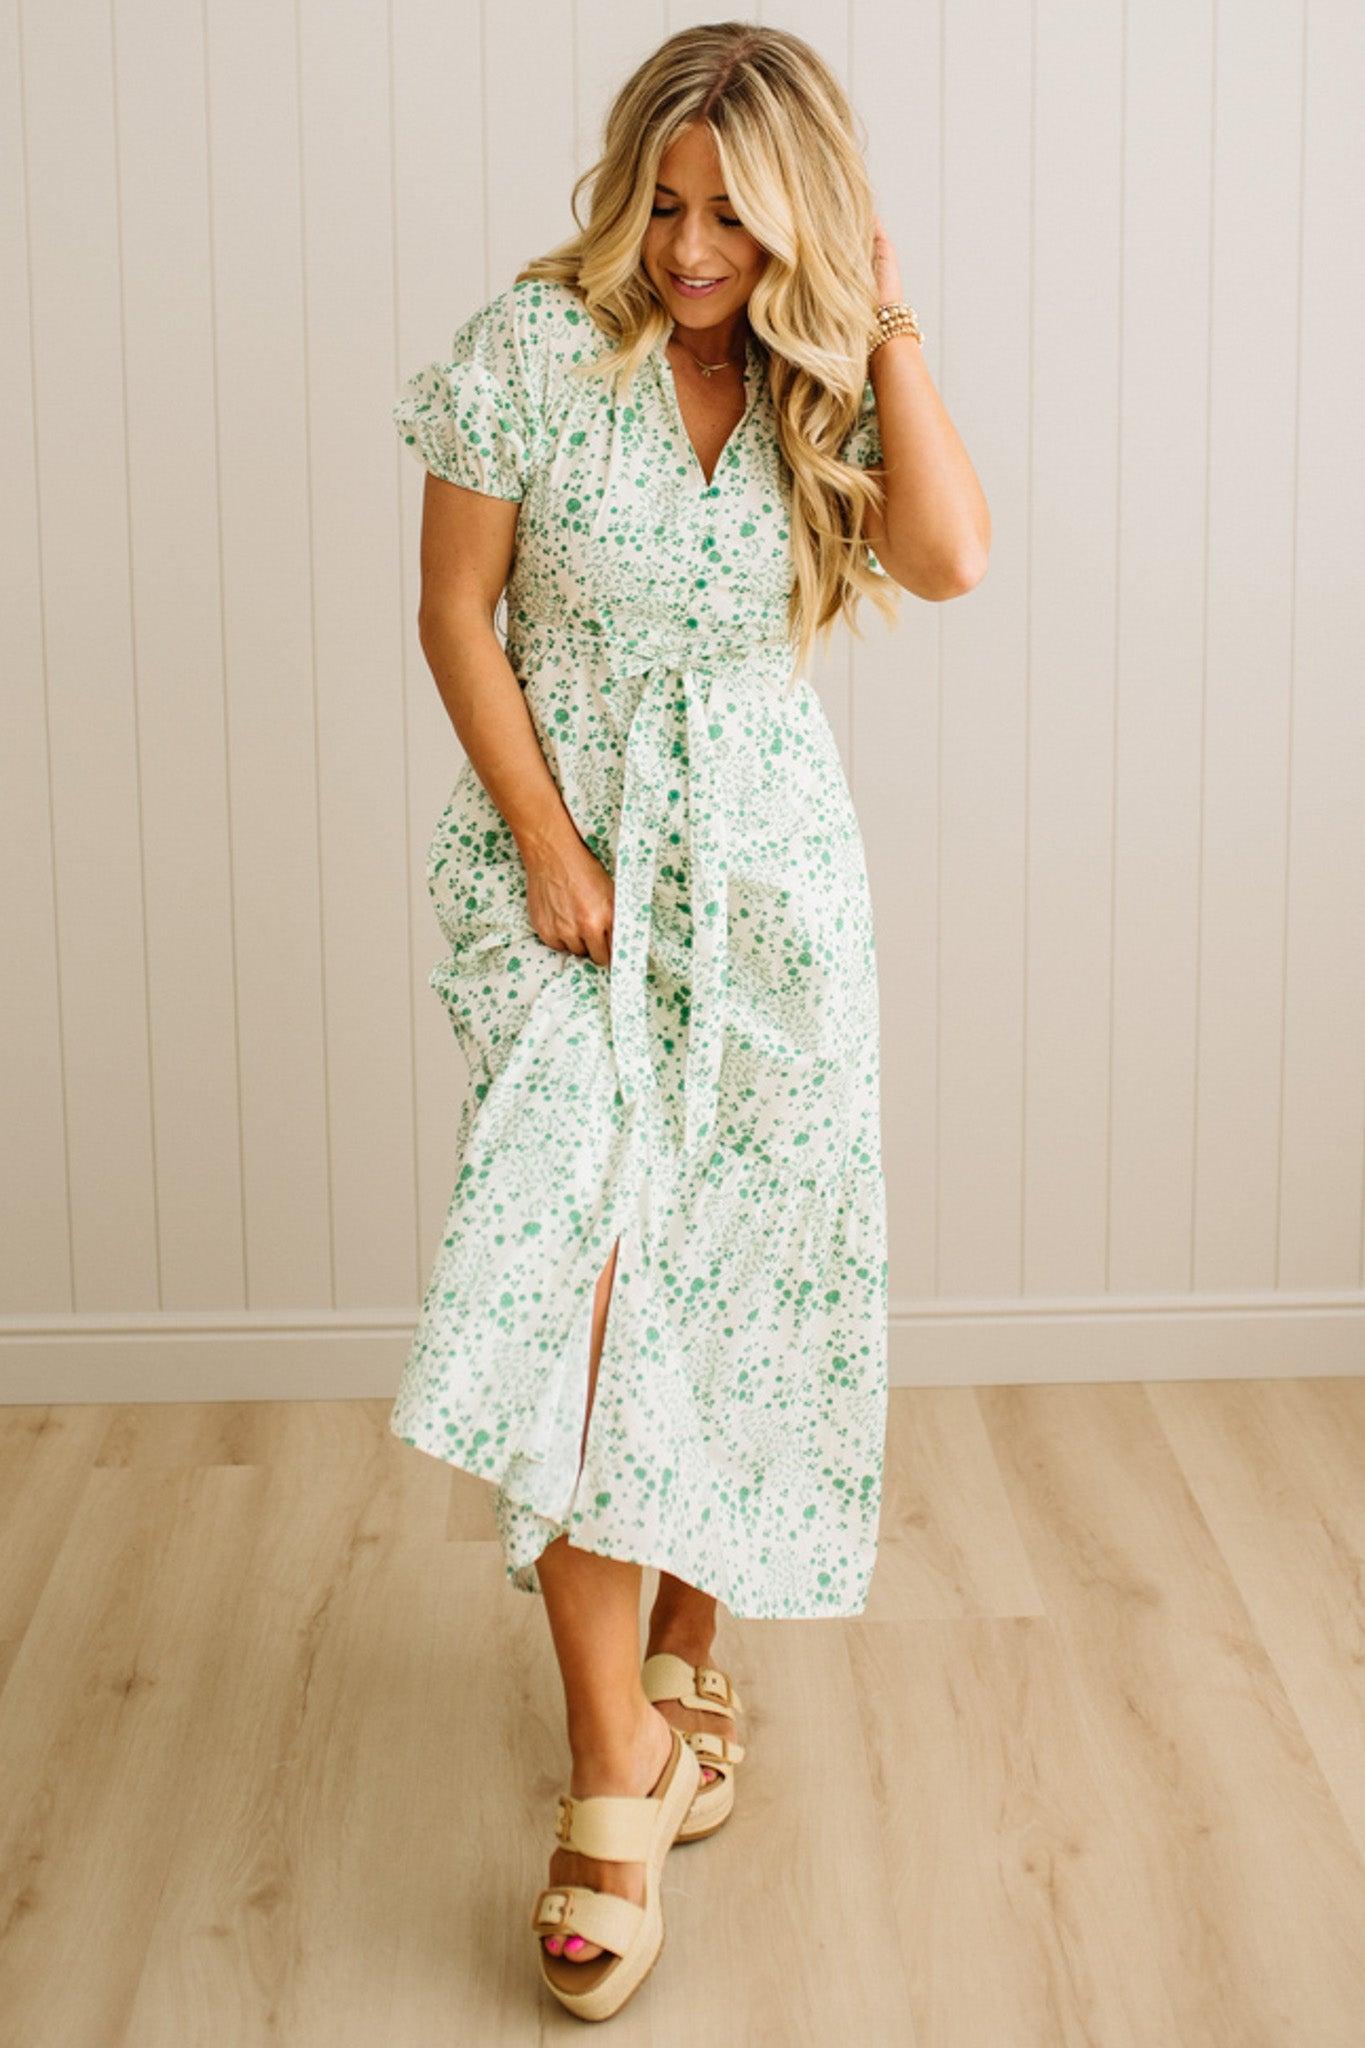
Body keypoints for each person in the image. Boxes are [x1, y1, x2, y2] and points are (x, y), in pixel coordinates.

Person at [389, 21, 989, 2023]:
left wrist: (882, 319)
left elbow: (948, 558)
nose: (693, 246)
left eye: (734, 210)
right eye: (663, 203)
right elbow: (453, 613)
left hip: (767, 884)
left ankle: (686, 1657)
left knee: (728, 1274)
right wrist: (550, 847)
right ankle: (613, 1765)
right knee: (578, 1295)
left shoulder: (819, 373)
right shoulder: (532, 348)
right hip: (565, 884)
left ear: (802, 214)